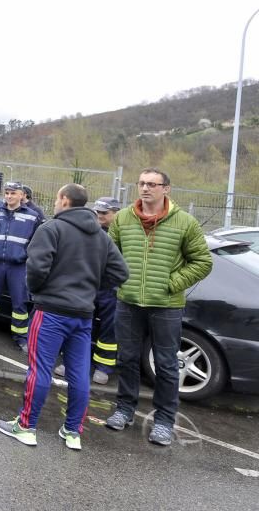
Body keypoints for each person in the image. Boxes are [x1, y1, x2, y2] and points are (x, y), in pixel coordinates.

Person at [0, 184, 128, 450]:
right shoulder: (101, 236)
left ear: (65, 201)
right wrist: (90, 288)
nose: (55, 203)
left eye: (57, 198)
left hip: (51, 312)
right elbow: (120, 273)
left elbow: (35, 269)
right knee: (80, 374)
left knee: (40, 370)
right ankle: (72, 432)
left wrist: (40, 291)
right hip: (83, 314)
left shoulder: (51, 229)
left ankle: (26, 426)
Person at [105, 169, 212, 447]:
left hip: (166, 305)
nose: (145, 188)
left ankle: (164, 420)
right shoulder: (123, 218)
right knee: (126, 359)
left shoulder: (184, 222)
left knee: (166, 365)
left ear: (166, 189)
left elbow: (203, 261)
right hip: (128, 302)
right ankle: (124, 409)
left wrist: (171, 283)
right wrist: (120, 282)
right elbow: (110, 256)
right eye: (141, 183)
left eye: (152, 184)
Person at [55, 196, 123, 384]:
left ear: (116, 214)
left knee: (109, 330)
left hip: (110, 290)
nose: (100, 216)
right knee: (80, 326)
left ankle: (104, 367)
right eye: (98, 212)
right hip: (88, 286)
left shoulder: (124, 234)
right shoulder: (89, 230)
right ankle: (71, 362)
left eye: (105, 213)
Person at [0, 182, 41, 353]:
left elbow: (35, 242)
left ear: (21, 195)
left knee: (19, 303)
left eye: (13, 193)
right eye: (7, 193)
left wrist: (24, 255)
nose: (8, 196)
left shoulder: (32, 216)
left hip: (18, 266)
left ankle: (20, 338)